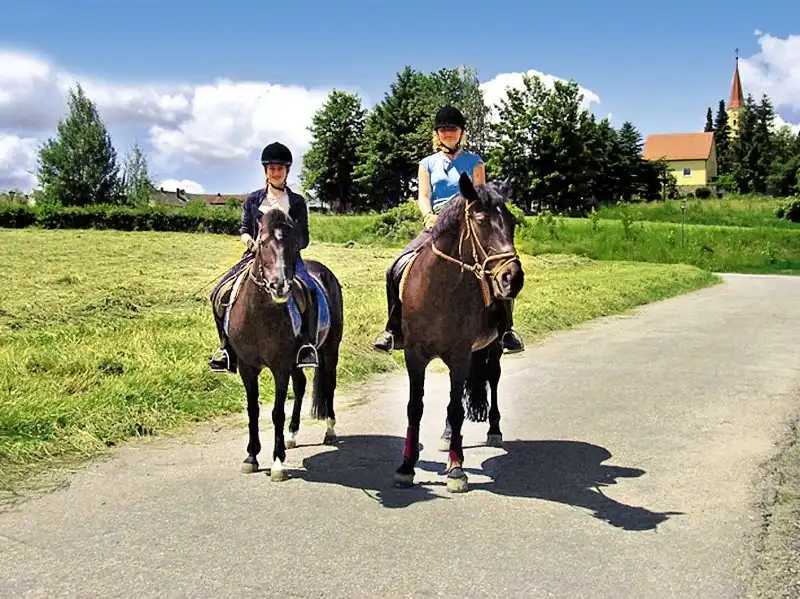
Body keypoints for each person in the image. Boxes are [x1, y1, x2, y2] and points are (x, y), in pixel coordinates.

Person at [371, 105, 525, 354]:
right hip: (438, 224)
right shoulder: (427, 164)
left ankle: (506, 330)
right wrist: (428, 216)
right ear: (437, 134)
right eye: (443, 129)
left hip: (469, 224)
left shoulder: (475, 162)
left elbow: (482, 196)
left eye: (453, 128)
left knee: (498, 267)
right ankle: (394, 330)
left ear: (462, 132)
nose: (448, 133)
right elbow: (423, 196)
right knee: (395, 267)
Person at [208, 141, 320, 372]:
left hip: (288, 260)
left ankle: (306, 346)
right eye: (271, 168)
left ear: (287, 170)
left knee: (310, 290)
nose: (275, 172)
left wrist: (287, 246)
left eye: (280, 168)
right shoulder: (254, 200)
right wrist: (250, 242)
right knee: (219, 291)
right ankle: (226, 349)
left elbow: (304, 238)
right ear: (266, 170)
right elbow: (244, 230)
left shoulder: (296, 202)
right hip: (254, 257)